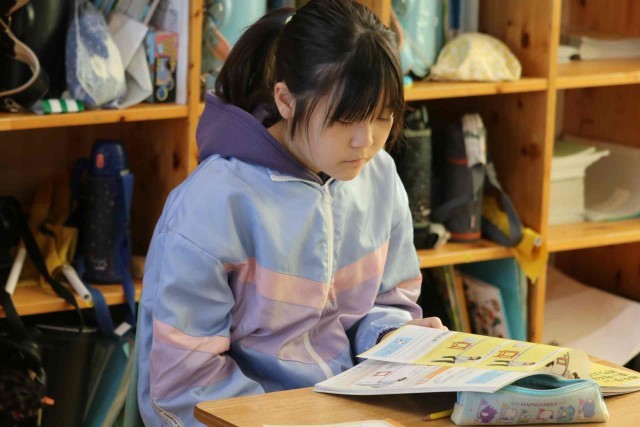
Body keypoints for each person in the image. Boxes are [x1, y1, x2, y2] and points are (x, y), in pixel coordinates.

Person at [135, 0, 446, 424]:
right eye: (346, 119)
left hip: (351, 412)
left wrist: (395, 338)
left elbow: (389, 300)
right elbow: (184, 384)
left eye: (382, 116)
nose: (366, 141)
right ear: (285, 99)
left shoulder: (379, 176)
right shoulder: (213, 205)